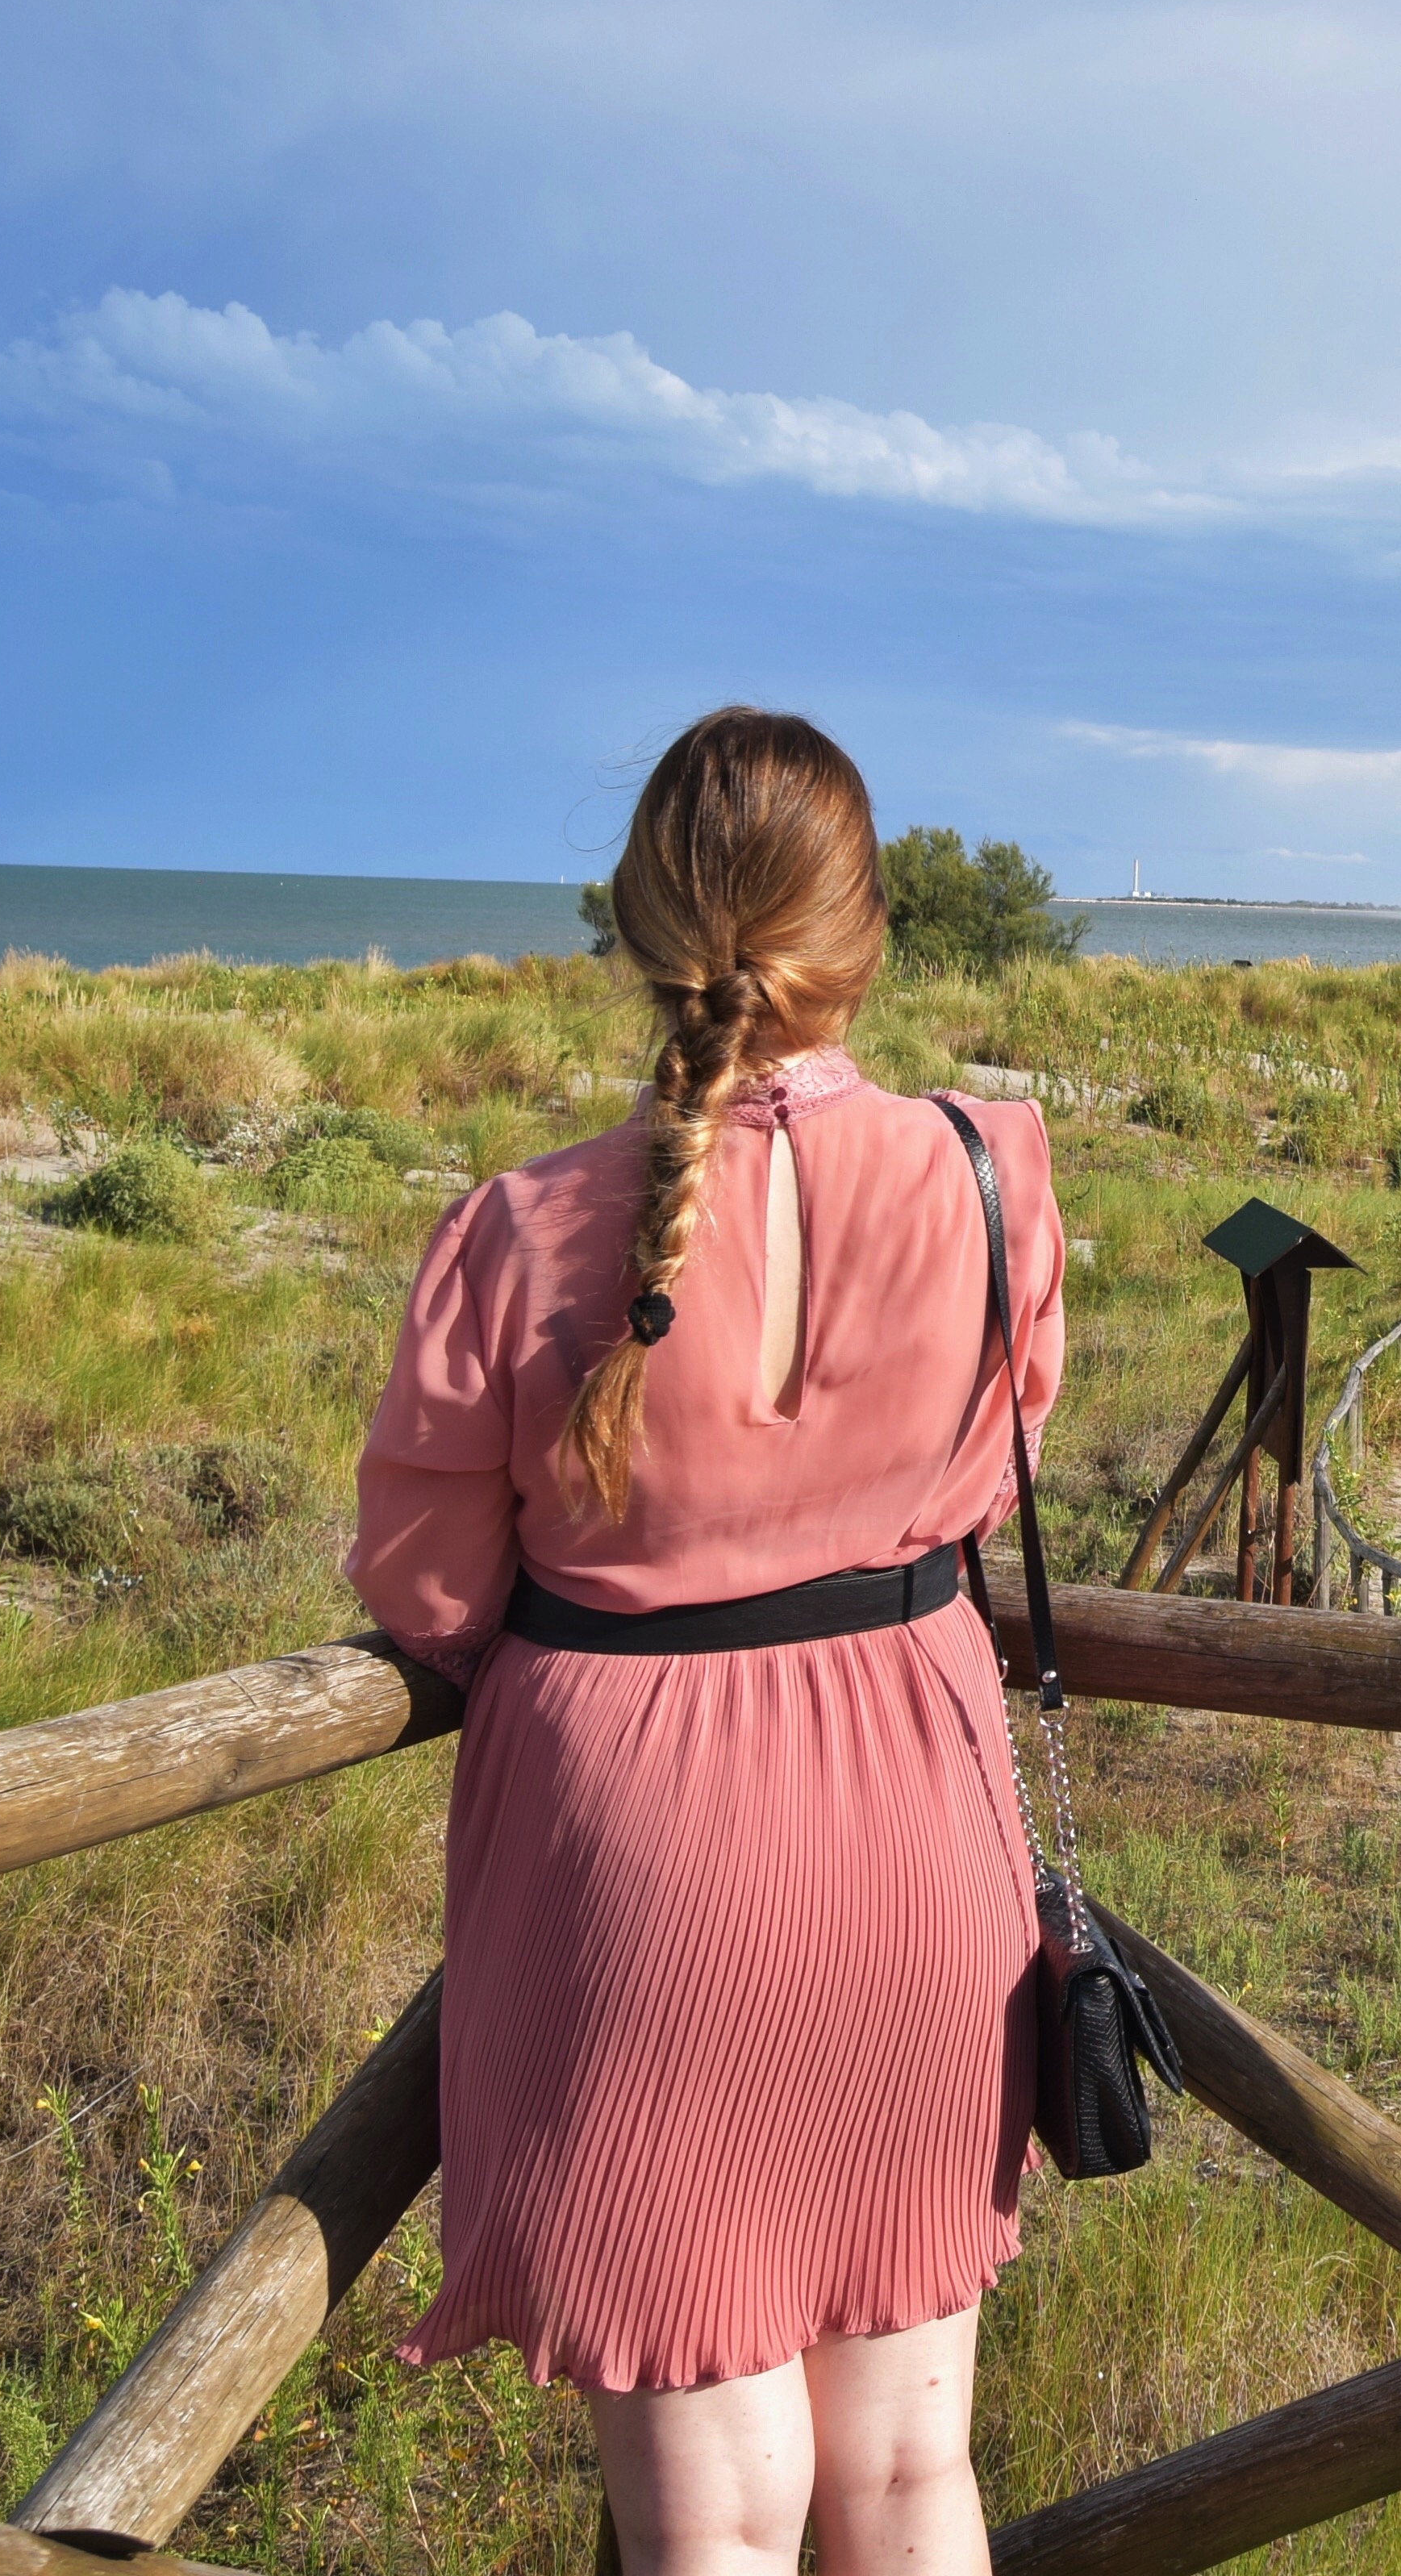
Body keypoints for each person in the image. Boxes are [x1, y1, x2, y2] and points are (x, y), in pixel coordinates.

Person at [348, 709, 1063, 2575]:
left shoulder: (517, 1229)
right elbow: (1001, 1453)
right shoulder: (994, 1170)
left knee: (714, 2518)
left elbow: (424, 1592)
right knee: (913, 2479)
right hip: (920, 1830)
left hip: (638, 1866)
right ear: (870, 928)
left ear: (638, 926)